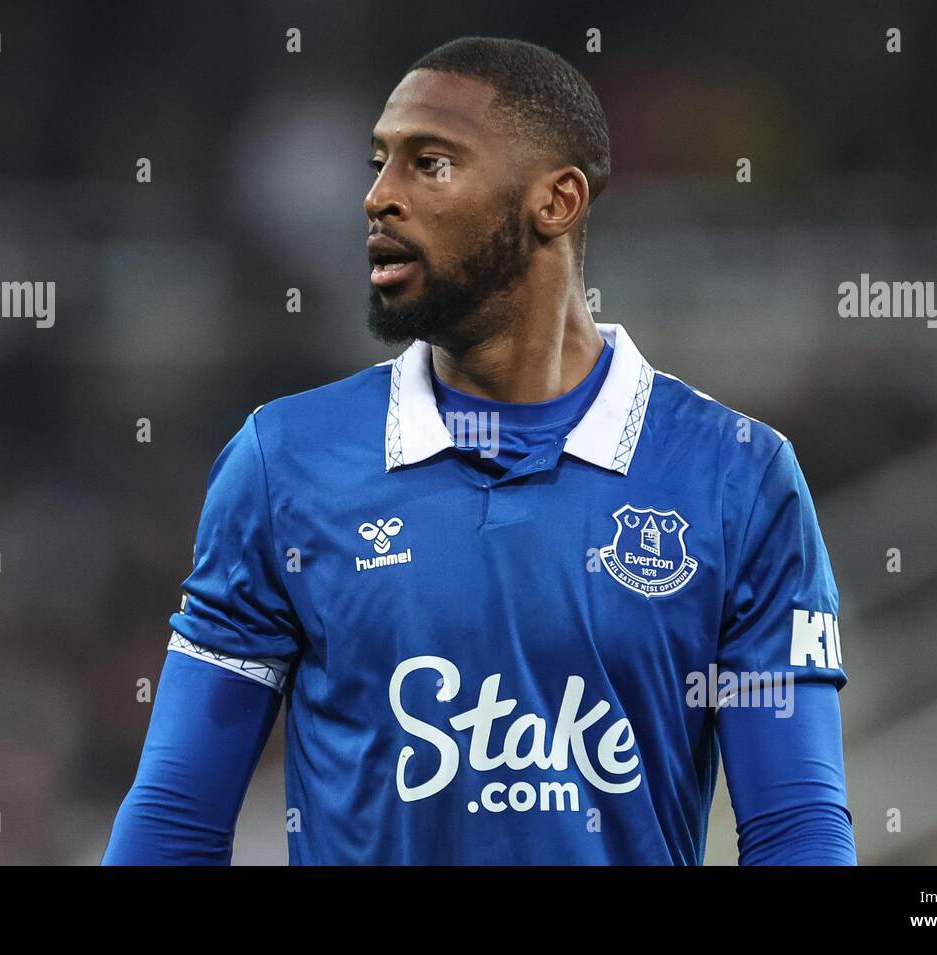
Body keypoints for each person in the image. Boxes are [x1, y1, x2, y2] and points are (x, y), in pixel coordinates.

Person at [102, 36, 856, 865]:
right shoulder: (284, 463)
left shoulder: (737, 479)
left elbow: (796, 830)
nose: (378, 198)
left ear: (556, 201)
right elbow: (176, 815)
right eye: (378, 162)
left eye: (429, 163)